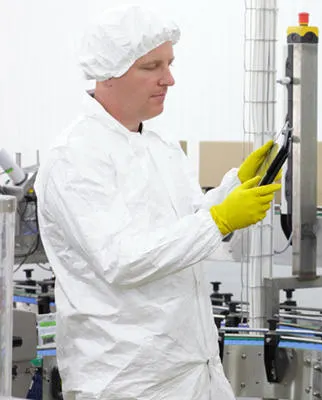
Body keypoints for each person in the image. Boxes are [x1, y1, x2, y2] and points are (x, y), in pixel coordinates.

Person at [33, 4, 281, 399]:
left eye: (169, 63)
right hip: (127, 382)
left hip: (194, 371)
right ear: (109, 71)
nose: (169, 79)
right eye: (152, 66)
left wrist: (232, 189)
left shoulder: (161, 146)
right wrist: (218, 220)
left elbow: (180, 230)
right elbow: (123, 260)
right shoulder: (76, 157)